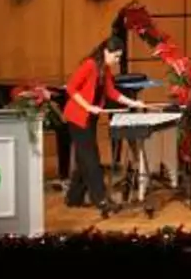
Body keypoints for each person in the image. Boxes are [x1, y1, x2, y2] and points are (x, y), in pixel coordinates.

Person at [63, 35, 147, 217]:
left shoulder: (105, 69)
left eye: (119, 57)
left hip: (89, 118)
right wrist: (88, 106)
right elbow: (71, 88)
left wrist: (133, 103)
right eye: (116, 56)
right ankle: (101, 200)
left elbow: (111, 92)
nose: (117, 61)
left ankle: (73, 198)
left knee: (84, 159)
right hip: (77, 118)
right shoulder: (90, 65)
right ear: (106, 52)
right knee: (92, 159)